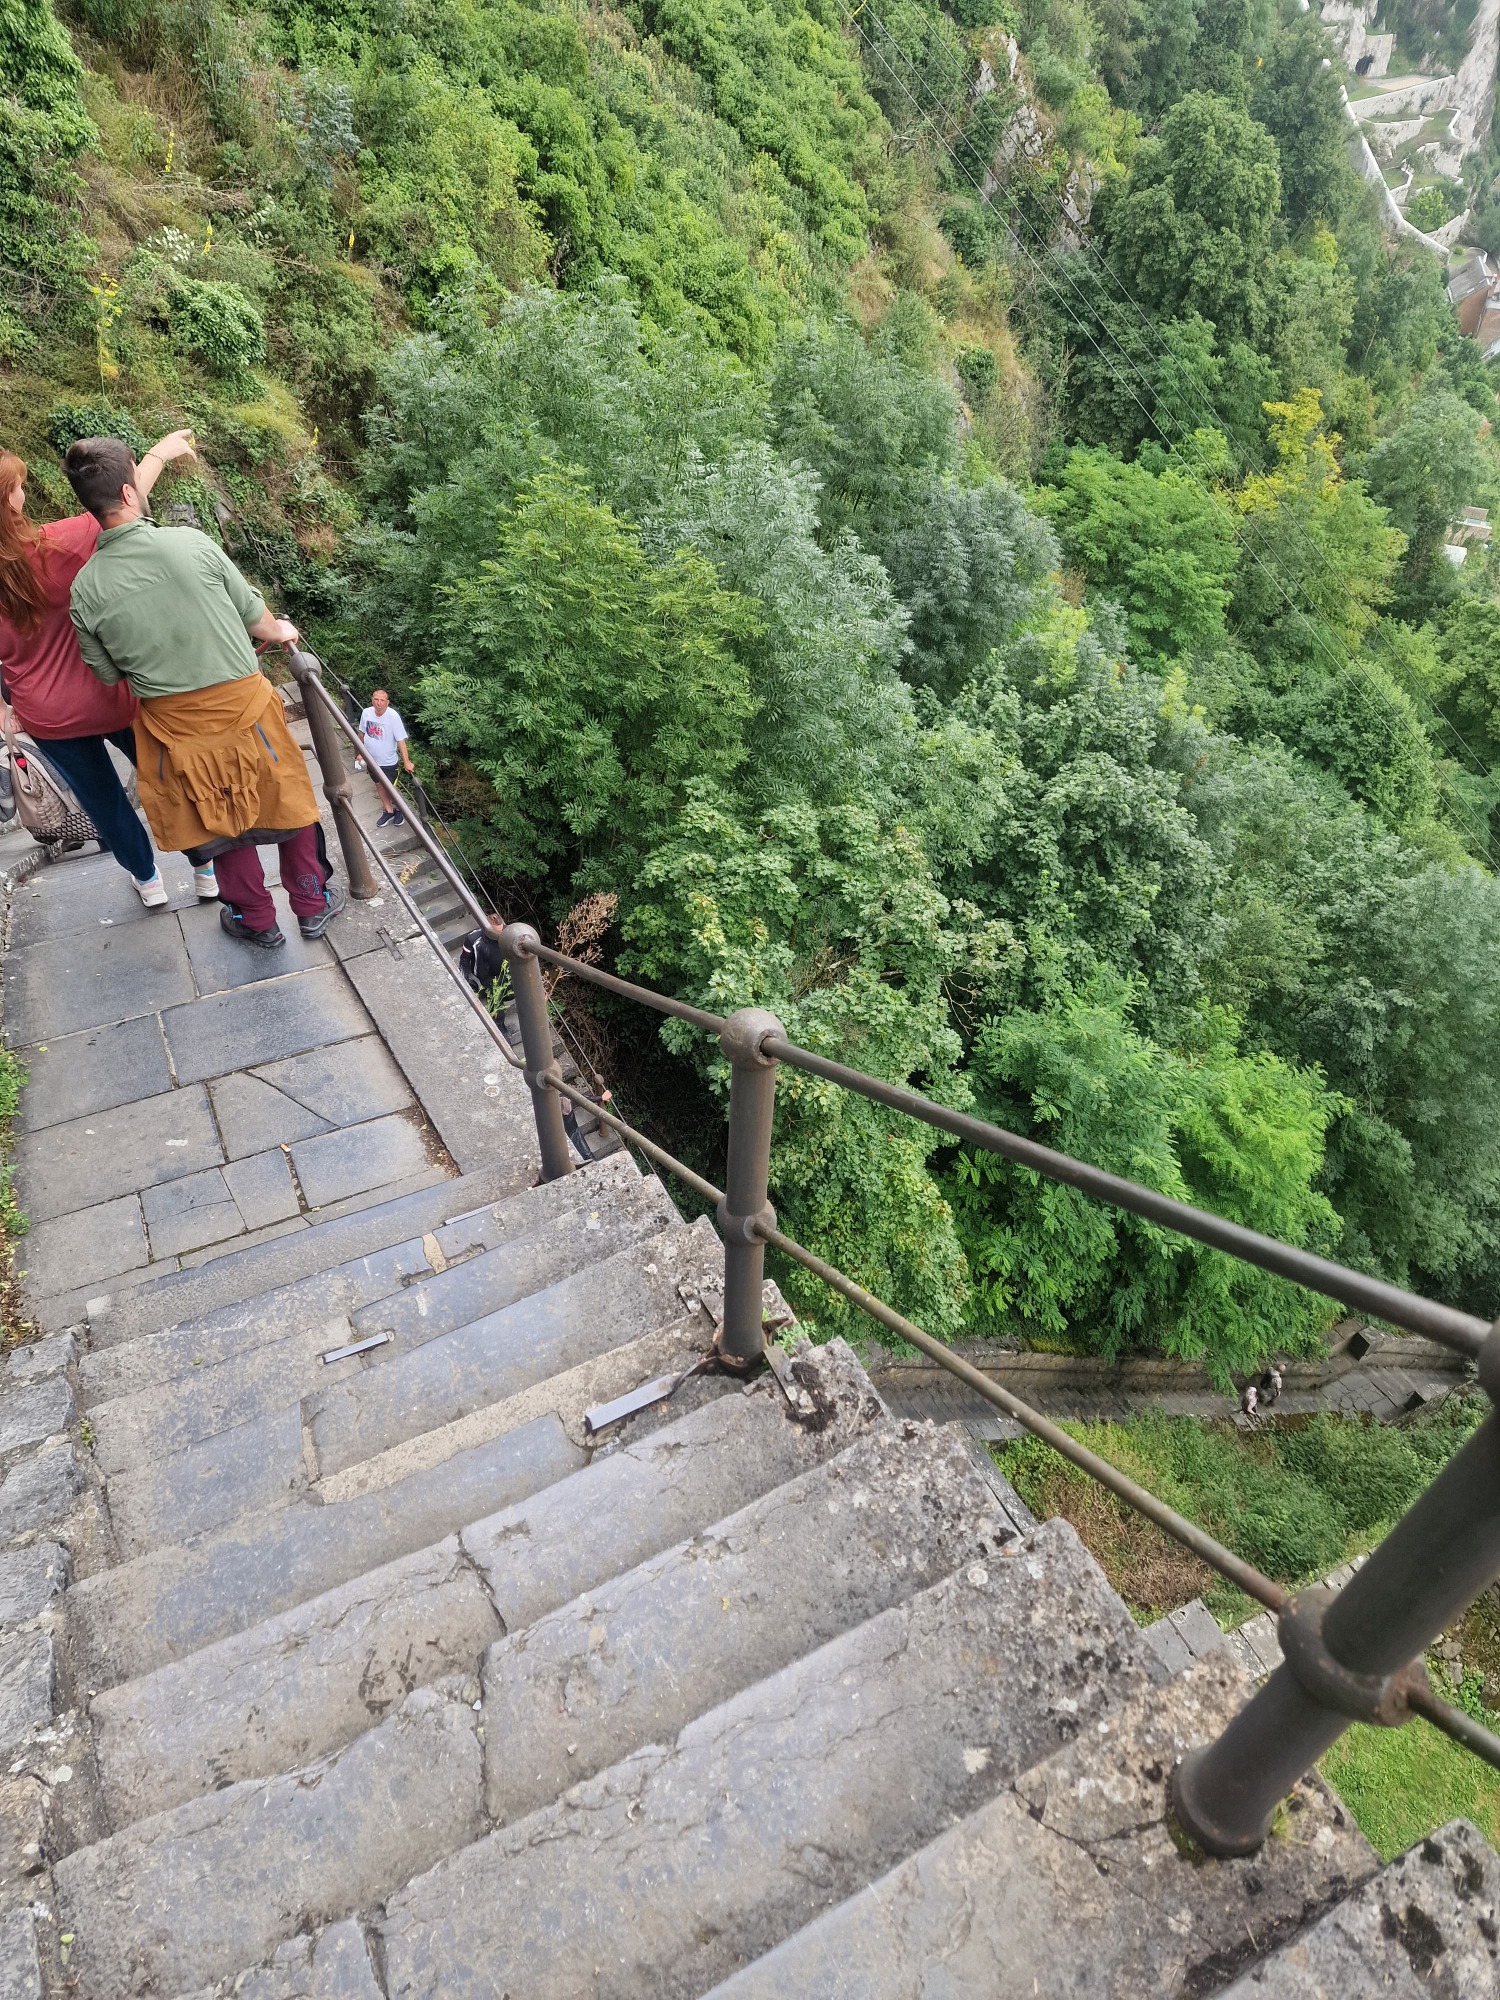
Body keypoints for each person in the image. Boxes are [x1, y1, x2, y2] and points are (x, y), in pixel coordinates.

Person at [64, 436, 344, 950]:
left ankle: (255, 918)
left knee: (217, 817)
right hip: (245, 707)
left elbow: (107, 675)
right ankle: (311, 903)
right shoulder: (192, 544)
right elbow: (258, 621)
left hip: (174, 725)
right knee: (284, 796)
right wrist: (279, 630)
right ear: (128, 491)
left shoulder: (84, 588)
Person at [0, 435, 218, 906]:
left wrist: (3, 705)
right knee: (165, 778)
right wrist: (160, 453)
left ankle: (148, 881)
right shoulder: (57, 544)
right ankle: (205, 868)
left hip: (48, 715)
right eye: (18, 485)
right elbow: (121, 499)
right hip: (111, 692)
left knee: (102, 800)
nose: (24, 491)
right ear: (9, 500)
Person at [357, 689, 414, 826]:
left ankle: (400, 810)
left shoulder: (393, 717)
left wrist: (406, 762)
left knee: (390, 788)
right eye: (376, 699)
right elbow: (361, 733)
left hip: (388, 762)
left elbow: (401, 741)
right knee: (378, 784)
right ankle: (389, 811)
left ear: (387, 702)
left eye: (382, 700)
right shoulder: (366, 713)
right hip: (371, 760)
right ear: (372, 700)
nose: (379, 703)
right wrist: (360, 752)